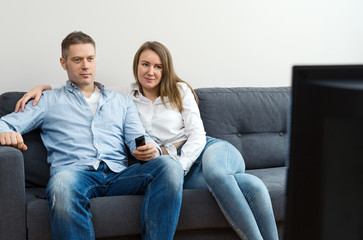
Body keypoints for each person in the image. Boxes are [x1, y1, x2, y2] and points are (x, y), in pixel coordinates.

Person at [15, 41, 279, 240]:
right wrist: (45, 89)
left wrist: (178, 162)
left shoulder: (179, 90)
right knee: (251, 185)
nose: (150, 71)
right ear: (137, 66)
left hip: (206, 150)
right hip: (167, 165)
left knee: (219, 175)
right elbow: (84, 87)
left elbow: (197, 136)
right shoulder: (125, 95)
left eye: (157, 66)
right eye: (145, 64)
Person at [0, 32, 184, 240]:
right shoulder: (47, 101)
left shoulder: (121, 101)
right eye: (77, 60)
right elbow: (4, 123)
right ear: (64, 63)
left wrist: (152, 148)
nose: (85, 66)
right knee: (62, 185)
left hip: (118, 175)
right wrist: (5, 133)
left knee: (170, 165)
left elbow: (138, 136)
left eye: (90, 59)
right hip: (73, 175)